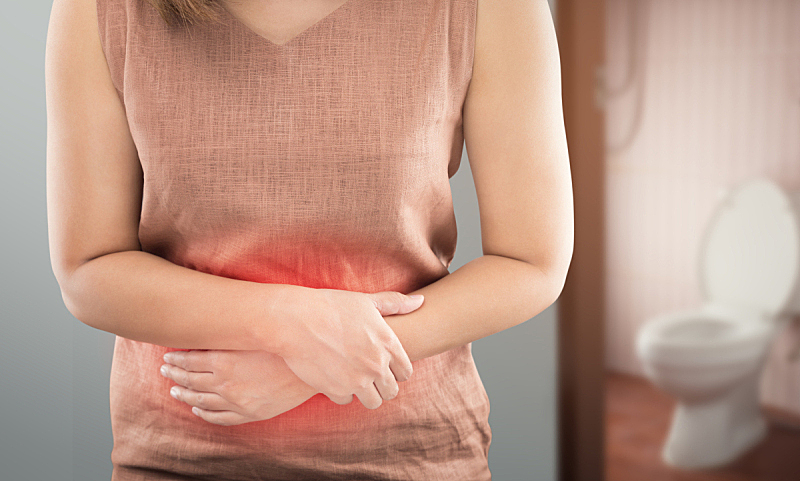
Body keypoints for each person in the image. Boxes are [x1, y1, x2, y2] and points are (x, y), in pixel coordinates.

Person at [45, 0, 573, 479]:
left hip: (414, 458)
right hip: (178, 458)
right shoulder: (98, 9)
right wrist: (289, 325)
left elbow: (530, 261)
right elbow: (89, 268)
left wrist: (321, 364)